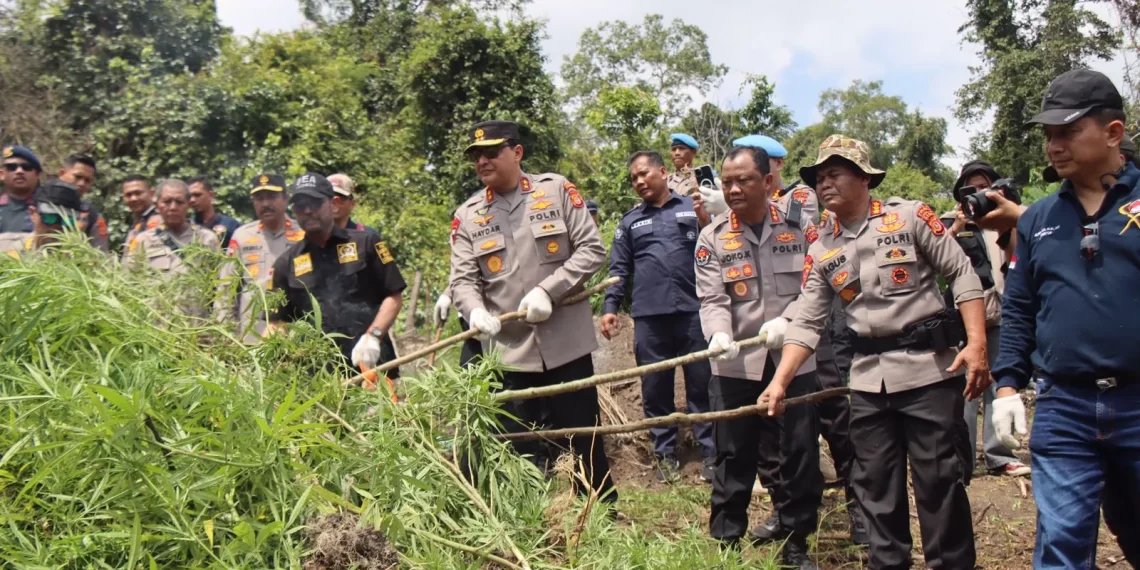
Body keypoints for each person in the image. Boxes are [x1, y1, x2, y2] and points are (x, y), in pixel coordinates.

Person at [762, 134, 989, 570]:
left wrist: (977, 344)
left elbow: (961, 274)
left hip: (929, 373)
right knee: (874, 488)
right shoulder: (822, 247)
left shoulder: (910, 217)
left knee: (939, 484)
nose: (824, 184)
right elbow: (807, 321)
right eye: (818, 178)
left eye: (835, 173)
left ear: (864, 177)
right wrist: (779, 382)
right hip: (867, 382)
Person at [987, 69, 1140, 569]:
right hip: (1065, 404)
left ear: (1113, 133)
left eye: (1068, 131)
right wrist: (1007, 385)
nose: (1054, 146)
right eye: (1049, 135)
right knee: (1062, 543)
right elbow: (1021, 307)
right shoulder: (1038, 219)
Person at [448, 119, 615, 503]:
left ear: (517, 151)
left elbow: (592, 250)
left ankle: (600, 515)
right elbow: (462, 282)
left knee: (584, 439)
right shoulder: (469, 215)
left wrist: (548, 290)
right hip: (510, 352)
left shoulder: (556, 191)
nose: (483, 162)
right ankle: (530, 522)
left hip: (566, 345)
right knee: (519, 448)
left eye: (492, 152)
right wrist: (474, 312)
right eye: (476, 156)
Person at [693, 145, 823, 569]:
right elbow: (712, 298)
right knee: (733, 455)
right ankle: (727, 542)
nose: (732, 189)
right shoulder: (712, 237)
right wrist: (717, 335)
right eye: (727, 181)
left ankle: (795, 540)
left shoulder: (800, 225)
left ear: (768, 182)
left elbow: (814, 287)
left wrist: (787, 320)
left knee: (799, 452)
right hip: (735, 363)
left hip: (795, 356)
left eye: (743, 180)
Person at [733, 133, 866, 545]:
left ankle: (861, 511)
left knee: (838, 419)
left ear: (774, 170)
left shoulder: (805, 203)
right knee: (778, 428)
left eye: (761, 169)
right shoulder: (746, 216)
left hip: (829, 327)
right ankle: (786, 511)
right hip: (782, 338)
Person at [601, 150, 716, 483]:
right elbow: (619, 269)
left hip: (695, 312)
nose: (638, 182)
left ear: (664, 172)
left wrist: (708, 219)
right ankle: (665, 455)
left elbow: (717, 246)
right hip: (650, 318)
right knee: (655, 389)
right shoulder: (630, 222)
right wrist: (610, 307)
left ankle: (711, 453)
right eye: (633, 178)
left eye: (644, 174)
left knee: (701, 385)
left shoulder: (692, 209)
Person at [942, 160, 1030, 479]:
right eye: (971, 189)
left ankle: (998, 454)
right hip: (966, 318)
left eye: (984, 187)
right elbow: (936, 264)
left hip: (1002, 312)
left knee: (999, 383)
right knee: (967, 389)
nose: (978, 194)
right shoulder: (948, 223)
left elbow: (1016, 261)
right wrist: (956, 226)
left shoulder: (1005, 220)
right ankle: (963, 459)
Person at [269, 173, 405, 378]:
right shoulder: (285, 264)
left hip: (372, 365)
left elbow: (394, 296)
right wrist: (267, 361)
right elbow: (276, 323)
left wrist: (373, 336)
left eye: (315, 203)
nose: (307, 210)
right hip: (319, 378)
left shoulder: (367, 243)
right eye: (300, 205)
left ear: (331, 204)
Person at [220, 174, 305, 341]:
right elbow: (227, 289)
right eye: (259, 198)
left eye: (272, 197)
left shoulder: (303, 233)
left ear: (286, 199)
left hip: (295, 335)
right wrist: (226, 334)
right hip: (251, 336)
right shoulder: (242, 236)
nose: (266, 204)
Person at [733, 134, 820, 223]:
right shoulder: (739, 197)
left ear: (779, 163)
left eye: (757, 161)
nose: (750, 168)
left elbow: (794, 226)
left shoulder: (799, 195)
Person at [0, 180, 84, 257]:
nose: (58, 226)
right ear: (32, 213)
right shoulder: (5, 249)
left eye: (68, 221)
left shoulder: (82, 259)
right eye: (50, 218)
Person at [56, 154, 110, 252]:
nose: (82, 183)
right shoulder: (37, 205)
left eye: (87, 180)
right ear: (61, 173)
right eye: (77, 177)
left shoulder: (92, 216)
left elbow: (101, 257)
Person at [188, 177, 241, 247]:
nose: (192, 200)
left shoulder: (230, 225)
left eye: (197, 195)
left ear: (211, 196)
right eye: (189, 196)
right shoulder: (186, 226)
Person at [0, 145, 43, 233]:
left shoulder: (50, 206)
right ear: (1, 174)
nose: (19, 171)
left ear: (37, 174)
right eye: (12, 167)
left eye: (26, 167)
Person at [123, 175, 160, 243]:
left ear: (152, 194)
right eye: (128, 195)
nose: (133, 198)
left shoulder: (162, 220)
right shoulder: (135, 225)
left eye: (138, 193)